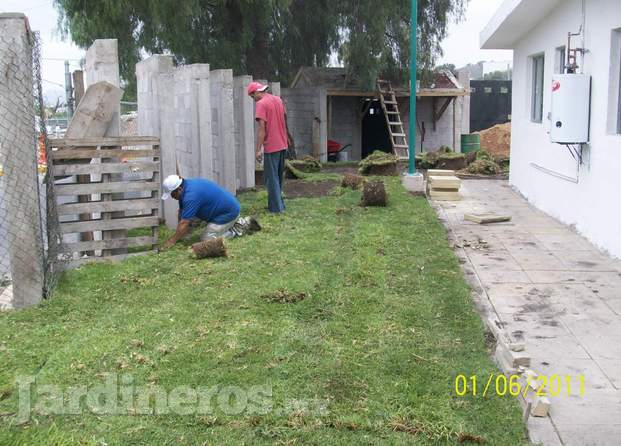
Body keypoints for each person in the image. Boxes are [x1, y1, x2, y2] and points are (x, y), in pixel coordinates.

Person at [160, 175, 258, 249]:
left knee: (206, 239)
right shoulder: (188, 186)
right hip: (223, 209)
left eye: (172, 194)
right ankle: (235, 224)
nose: (172, 197)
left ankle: (239, 228)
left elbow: (184, 222)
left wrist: (172, 241)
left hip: (228, 213)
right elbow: (182, 214)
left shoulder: (190, 196)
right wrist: (181, 234)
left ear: (179, 189)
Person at [248, 81, 292, 213]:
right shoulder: (277, 99)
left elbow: (262, 129)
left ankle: (276, 209)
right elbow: (284, 119)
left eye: (252, 96)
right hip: (282, 144)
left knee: (271, 178)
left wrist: (258, 150)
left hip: (272, 146)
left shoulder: (261, 104)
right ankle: (279, 205)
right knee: (278, 177)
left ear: (257, 92)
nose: (253, 99)